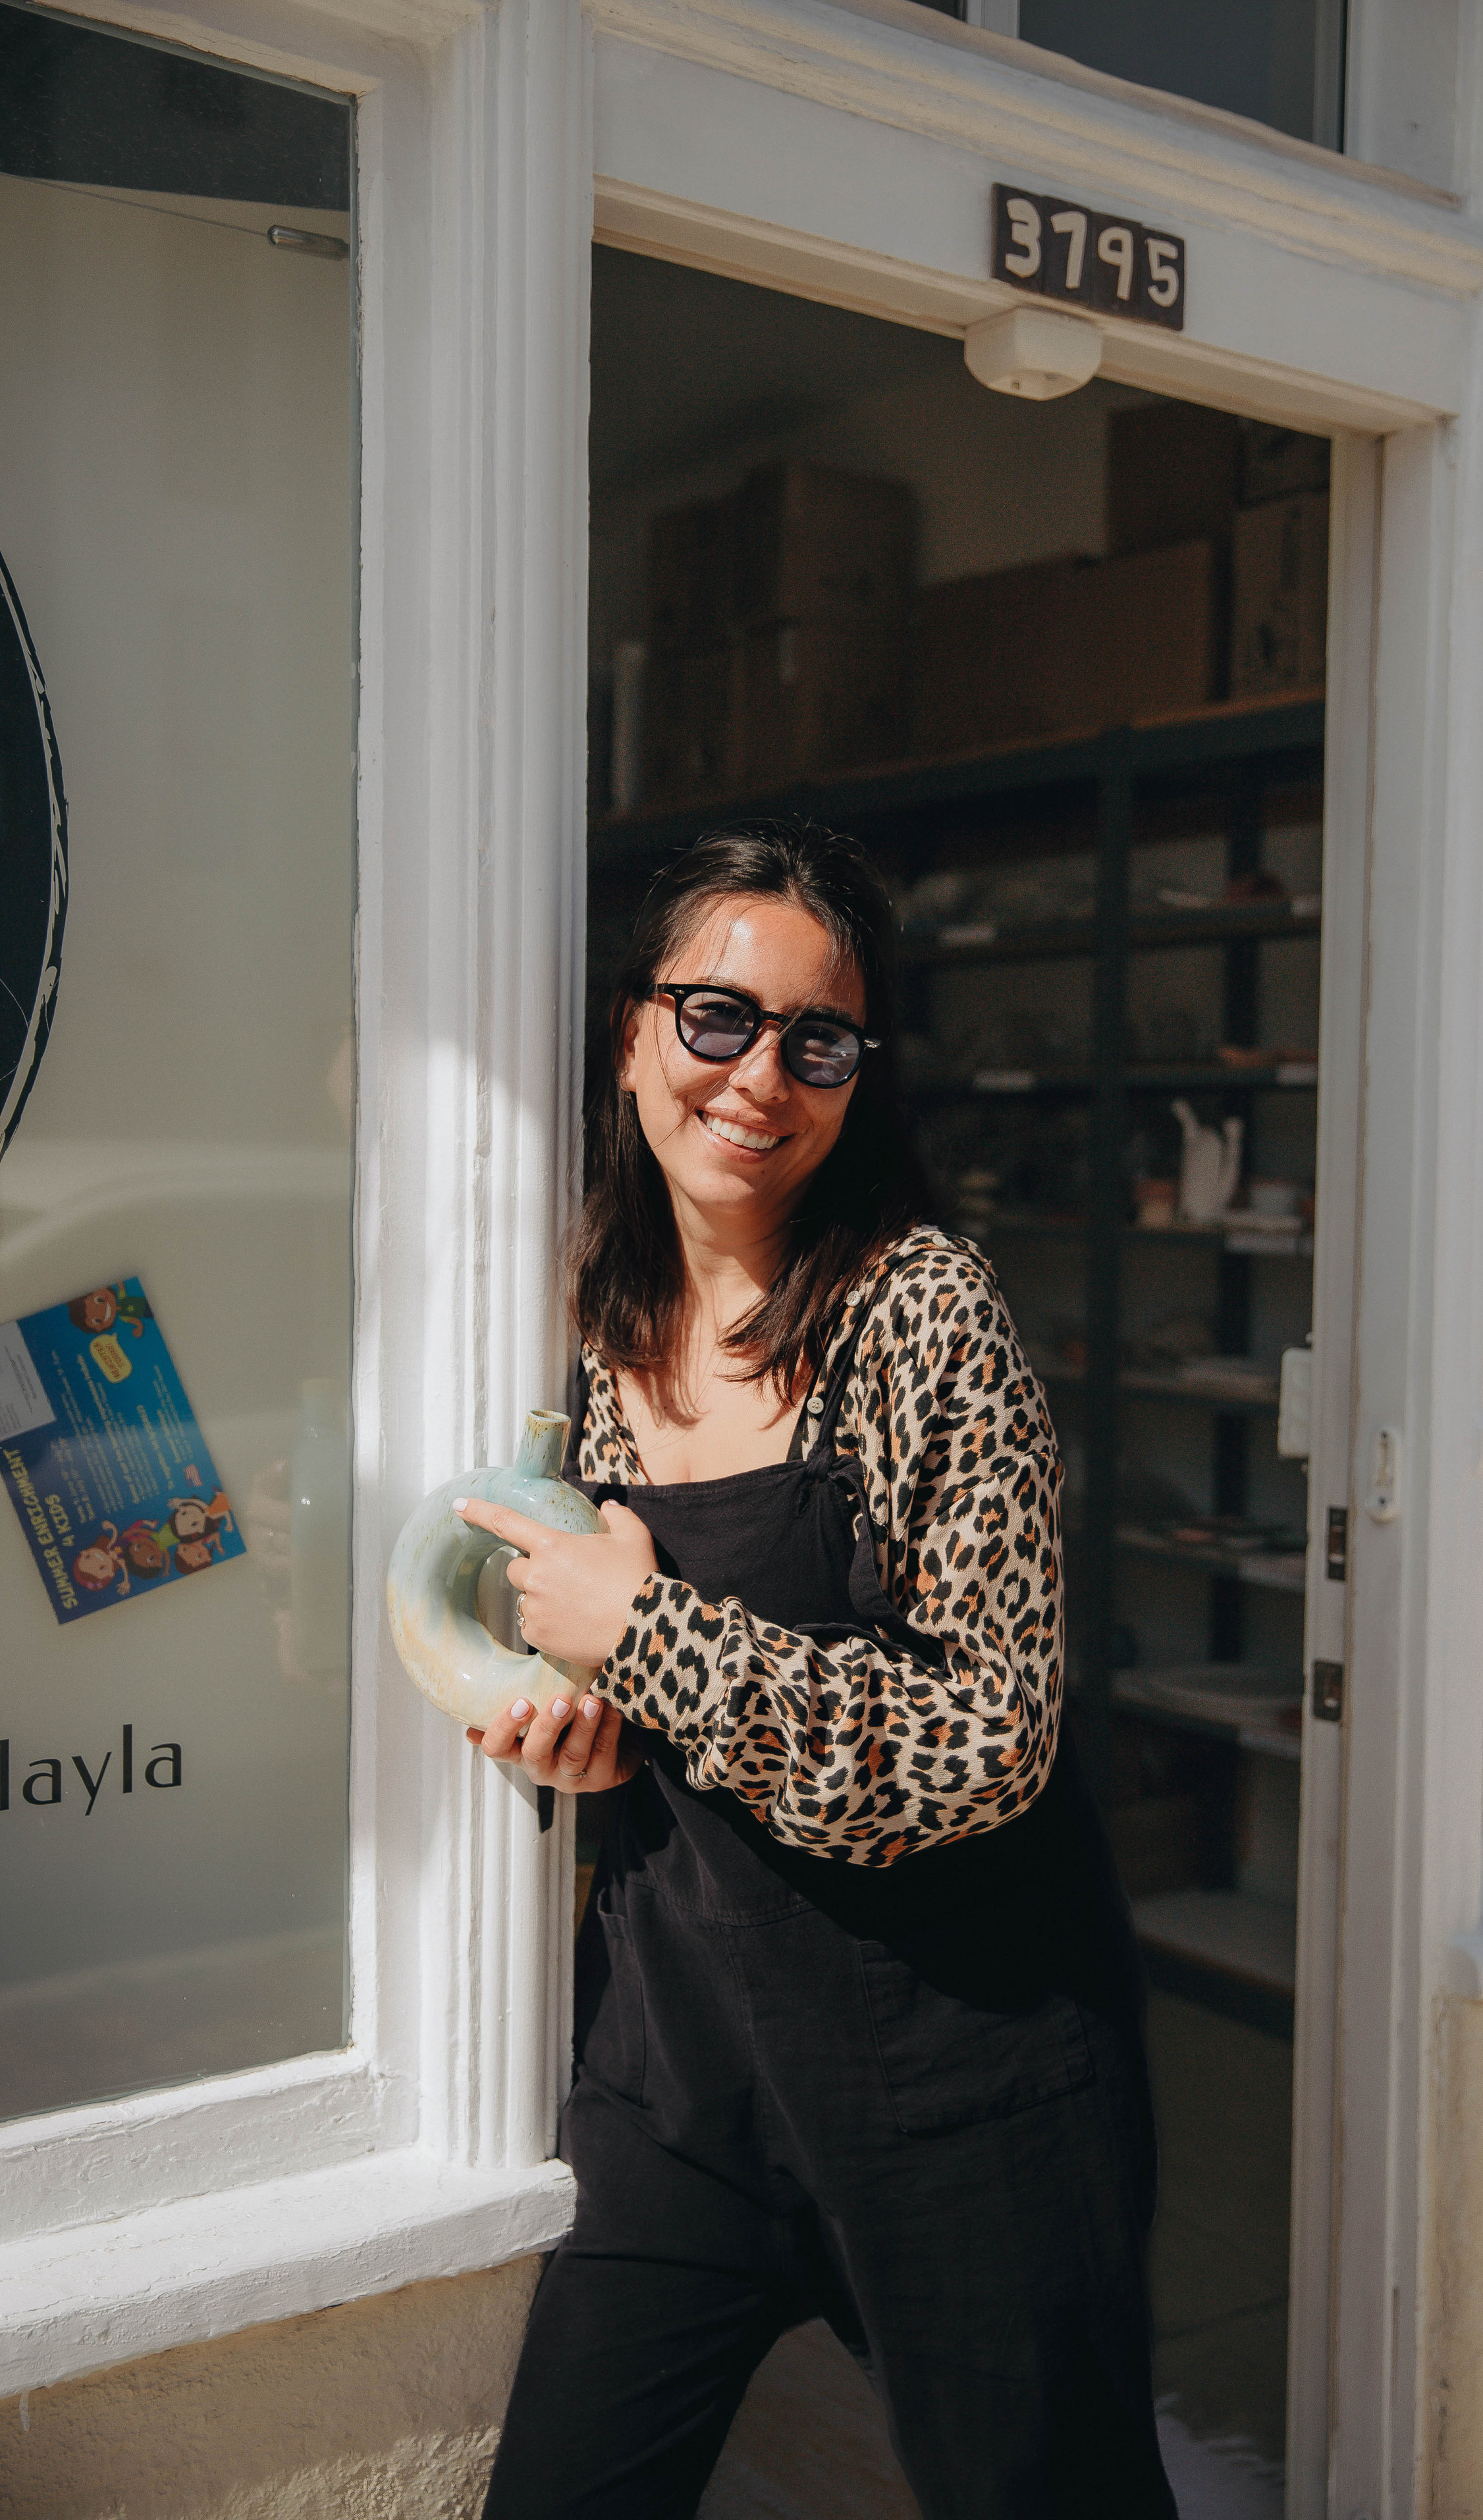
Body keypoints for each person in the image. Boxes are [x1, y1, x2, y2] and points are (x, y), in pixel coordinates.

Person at [455, 822, 1179, 2520]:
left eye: (818, 1040)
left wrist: (647, 1639)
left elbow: (987, 1740)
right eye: (717, 1017)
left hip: (967, 2091)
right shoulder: (582, 1333)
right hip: (680, 2081)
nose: (760, 1076)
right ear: (633, 1032)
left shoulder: (921, 1311)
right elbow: (618, 1673)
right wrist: (577, 1727)